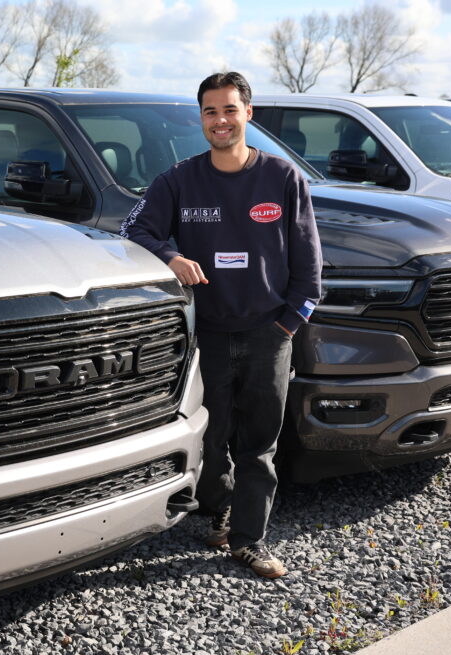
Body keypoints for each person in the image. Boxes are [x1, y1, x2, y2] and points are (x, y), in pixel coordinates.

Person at [120, 72, 321, 579]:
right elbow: (133, 228)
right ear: (201, 119)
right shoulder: (179, 179)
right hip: (206, 335)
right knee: (211, 439)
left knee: (259, 445)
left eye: (230, 109)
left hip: (268, 334)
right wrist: (170, 256)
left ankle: (249, 540)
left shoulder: (283, 178)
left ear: (248, 113)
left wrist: (287, 325)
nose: (220, 120)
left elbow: (310, 265)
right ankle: (221, 511)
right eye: (210, 111)